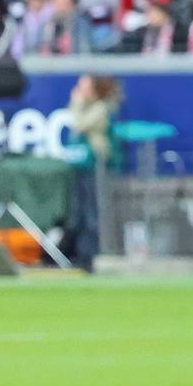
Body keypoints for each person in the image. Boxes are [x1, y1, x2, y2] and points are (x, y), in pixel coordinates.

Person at [65, 75, 119, 271]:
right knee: (78, 211)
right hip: (80, 164)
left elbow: (79, 124)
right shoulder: (87, 106)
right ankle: (78, 252)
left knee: (90, 211)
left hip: (94, 164)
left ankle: (88, 255)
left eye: (82, 86)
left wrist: (76, 103)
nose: (79, 90)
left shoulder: (101, 107)